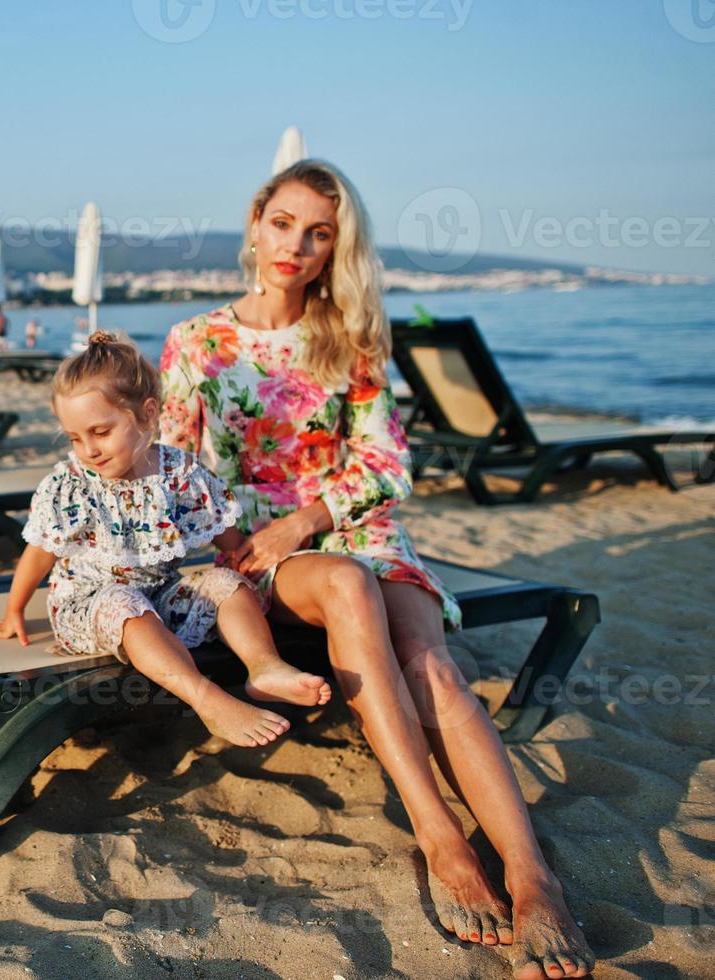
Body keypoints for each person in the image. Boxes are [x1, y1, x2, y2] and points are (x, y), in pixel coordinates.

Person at [158, 158, 592, 978]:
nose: (296, 244)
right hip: (257, 547)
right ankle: (438, 835)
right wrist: (243, 538)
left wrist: (310, 517)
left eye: (318, 233)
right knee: (349, 589)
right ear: (256, 224)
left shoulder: (348, 336)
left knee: (431, 662)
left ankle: (533, 875)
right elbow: (176, 473)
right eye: (283, 224)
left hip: (354, 524)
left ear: (334, 248)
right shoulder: (195, 344)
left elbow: (388, 463)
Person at [0, 332, 332, 747]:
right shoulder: (72, 484)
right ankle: (207, 699)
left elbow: (220, 530)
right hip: (91, 602)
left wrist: (244, 560)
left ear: (146, 415)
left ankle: (265, 667)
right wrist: (13, 610)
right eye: (75, 437)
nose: (88, 449)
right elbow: (39, 552)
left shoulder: (177, 472)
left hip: (159, 594)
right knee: (126, 606)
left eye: (100, 431)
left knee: (225, 584)